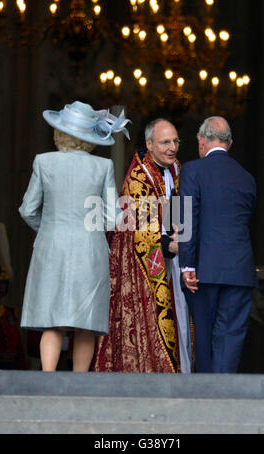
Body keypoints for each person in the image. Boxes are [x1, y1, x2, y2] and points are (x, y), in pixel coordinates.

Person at [19, 101, 130, 372]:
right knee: (85, 322)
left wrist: (48, 229)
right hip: (90, 249)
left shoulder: (44, 162)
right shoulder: (102, 166)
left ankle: (47, 380)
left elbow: (27, 210)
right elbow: (114, 216)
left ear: (59, 133)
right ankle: (79, 384)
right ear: (89, 137)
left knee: (52, 319)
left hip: (51, 248)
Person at [93, 118, 191, 373]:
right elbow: (142, 232)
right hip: (145, 266)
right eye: (165, 142)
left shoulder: (176, 169)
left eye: (175, 141)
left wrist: (181, 232)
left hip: (172, 258)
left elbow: (177, 209)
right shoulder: (138, 177)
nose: (172, 147)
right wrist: (171, 244)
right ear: (149, 144)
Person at [179, 116, 257, 373]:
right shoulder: (247, 178)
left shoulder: (191, 169)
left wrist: (186, 265)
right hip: (240, 270)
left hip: (204, 270)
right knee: (230, 340)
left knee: (203, 339)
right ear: (230, 143)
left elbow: (186, 219)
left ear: (201, 140)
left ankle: (205, 400)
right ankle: (225, 398)